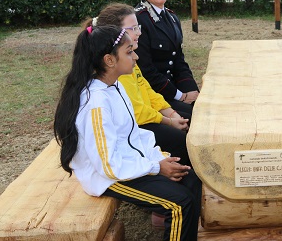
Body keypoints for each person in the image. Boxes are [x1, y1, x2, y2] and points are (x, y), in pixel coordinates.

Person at [53, 24, 201, 240]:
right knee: (180, 203)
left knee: (190, 178)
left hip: (129, 163)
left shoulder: (116, 86)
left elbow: (134, 134)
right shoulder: (97, 103)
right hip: (108, 177)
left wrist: (159, 158)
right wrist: (156, 168)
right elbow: (108, 165)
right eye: (129, 52)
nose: (136, 57)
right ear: (109, 60)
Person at [89, 3, 190, 165]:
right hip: (136, 125)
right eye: (133, 28)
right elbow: (136, 112)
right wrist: (169, 121)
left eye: (138, 27)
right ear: (116, 32)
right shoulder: (117, 67)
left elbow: (147, 90)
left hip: (143, 118)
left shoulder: (129, 58)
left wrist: (171, 114)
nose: (139, 33)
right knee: (179, 139)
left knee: (189, 116)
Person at [134, 0, 198, 118]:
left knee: (205, 108)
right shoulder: (138, 20)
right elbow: (146, 71)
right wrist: (180, 96)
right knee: (192, 118)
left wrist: (191, 89)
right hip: (153, 94)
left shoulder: (172, 17)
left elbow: (178, 61)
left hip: (172, 88)